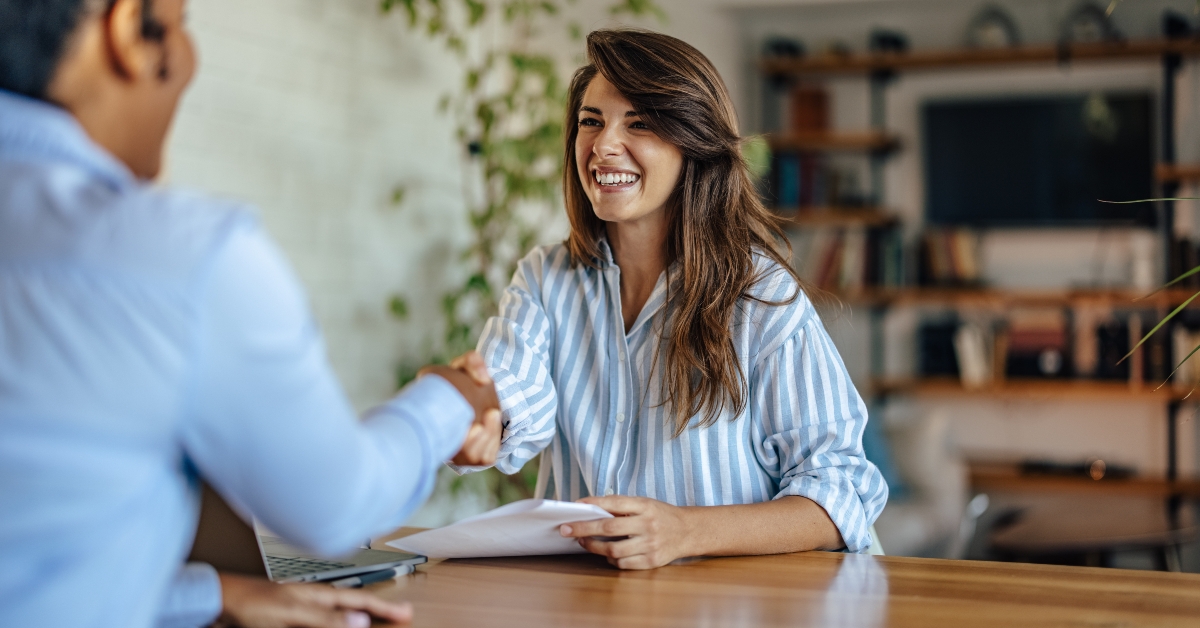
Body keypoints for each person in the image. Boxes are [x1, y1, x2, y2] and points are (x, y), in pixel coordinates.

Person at [0, 1, 501, 626]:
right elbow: (337, 506)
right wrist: (450, 399)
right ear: (131, 31)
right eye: (184, 23)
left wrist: (214, 595)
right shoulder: (181, 257)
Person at [473, 29, 888, 570]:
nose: (603, 145)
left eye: (638, 123)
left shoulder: (759, 296)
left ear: (692, 143)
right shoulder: (545, 278)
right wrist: (468, 419)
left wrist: (685, 531)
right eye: (591, 121)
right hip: (591, 598)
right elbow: (508, 390)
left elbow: (843, 492)